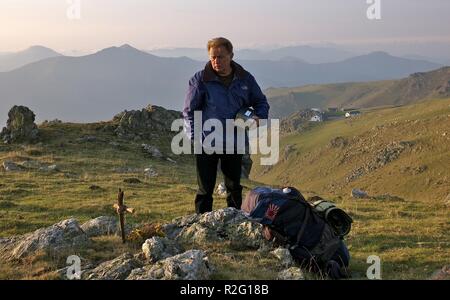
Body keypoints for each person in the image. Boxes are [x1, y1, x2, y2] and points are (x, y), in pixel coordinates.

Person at [183, 37, 270, 214]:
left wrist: (259, 117)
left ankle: (236, 222)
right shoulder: (200, 80)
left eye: (220, 57)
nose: (216, 61)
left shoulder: (245, 79)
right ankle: (202, 225)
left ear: (231, 55)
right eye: (212, 57)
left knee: (234, 188)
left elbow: (261, 102)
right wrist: (194, 136)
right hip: (207, 142)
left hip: (234, 142)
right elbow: (189, 111)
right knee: (205, 190)